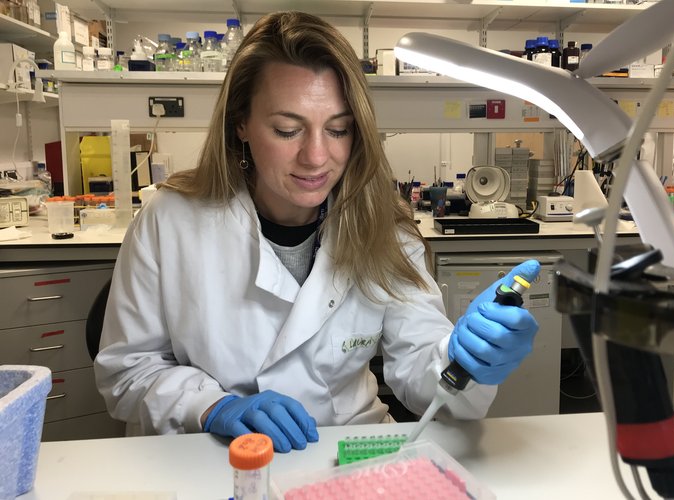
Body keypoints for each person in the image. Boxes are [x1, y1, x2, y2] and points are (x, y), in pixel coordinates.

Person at [94, 11, 540, 453]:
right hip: (210, 458)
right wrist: (211, 406)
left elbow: (424, 375)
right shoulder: (171, 218)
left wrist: (469, 360)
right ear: (241, 123)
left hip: (343, 452)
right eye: (287, 129)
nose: (316, 156)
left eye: (338, 129)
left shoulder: (385, 227)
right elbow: (127, 371)